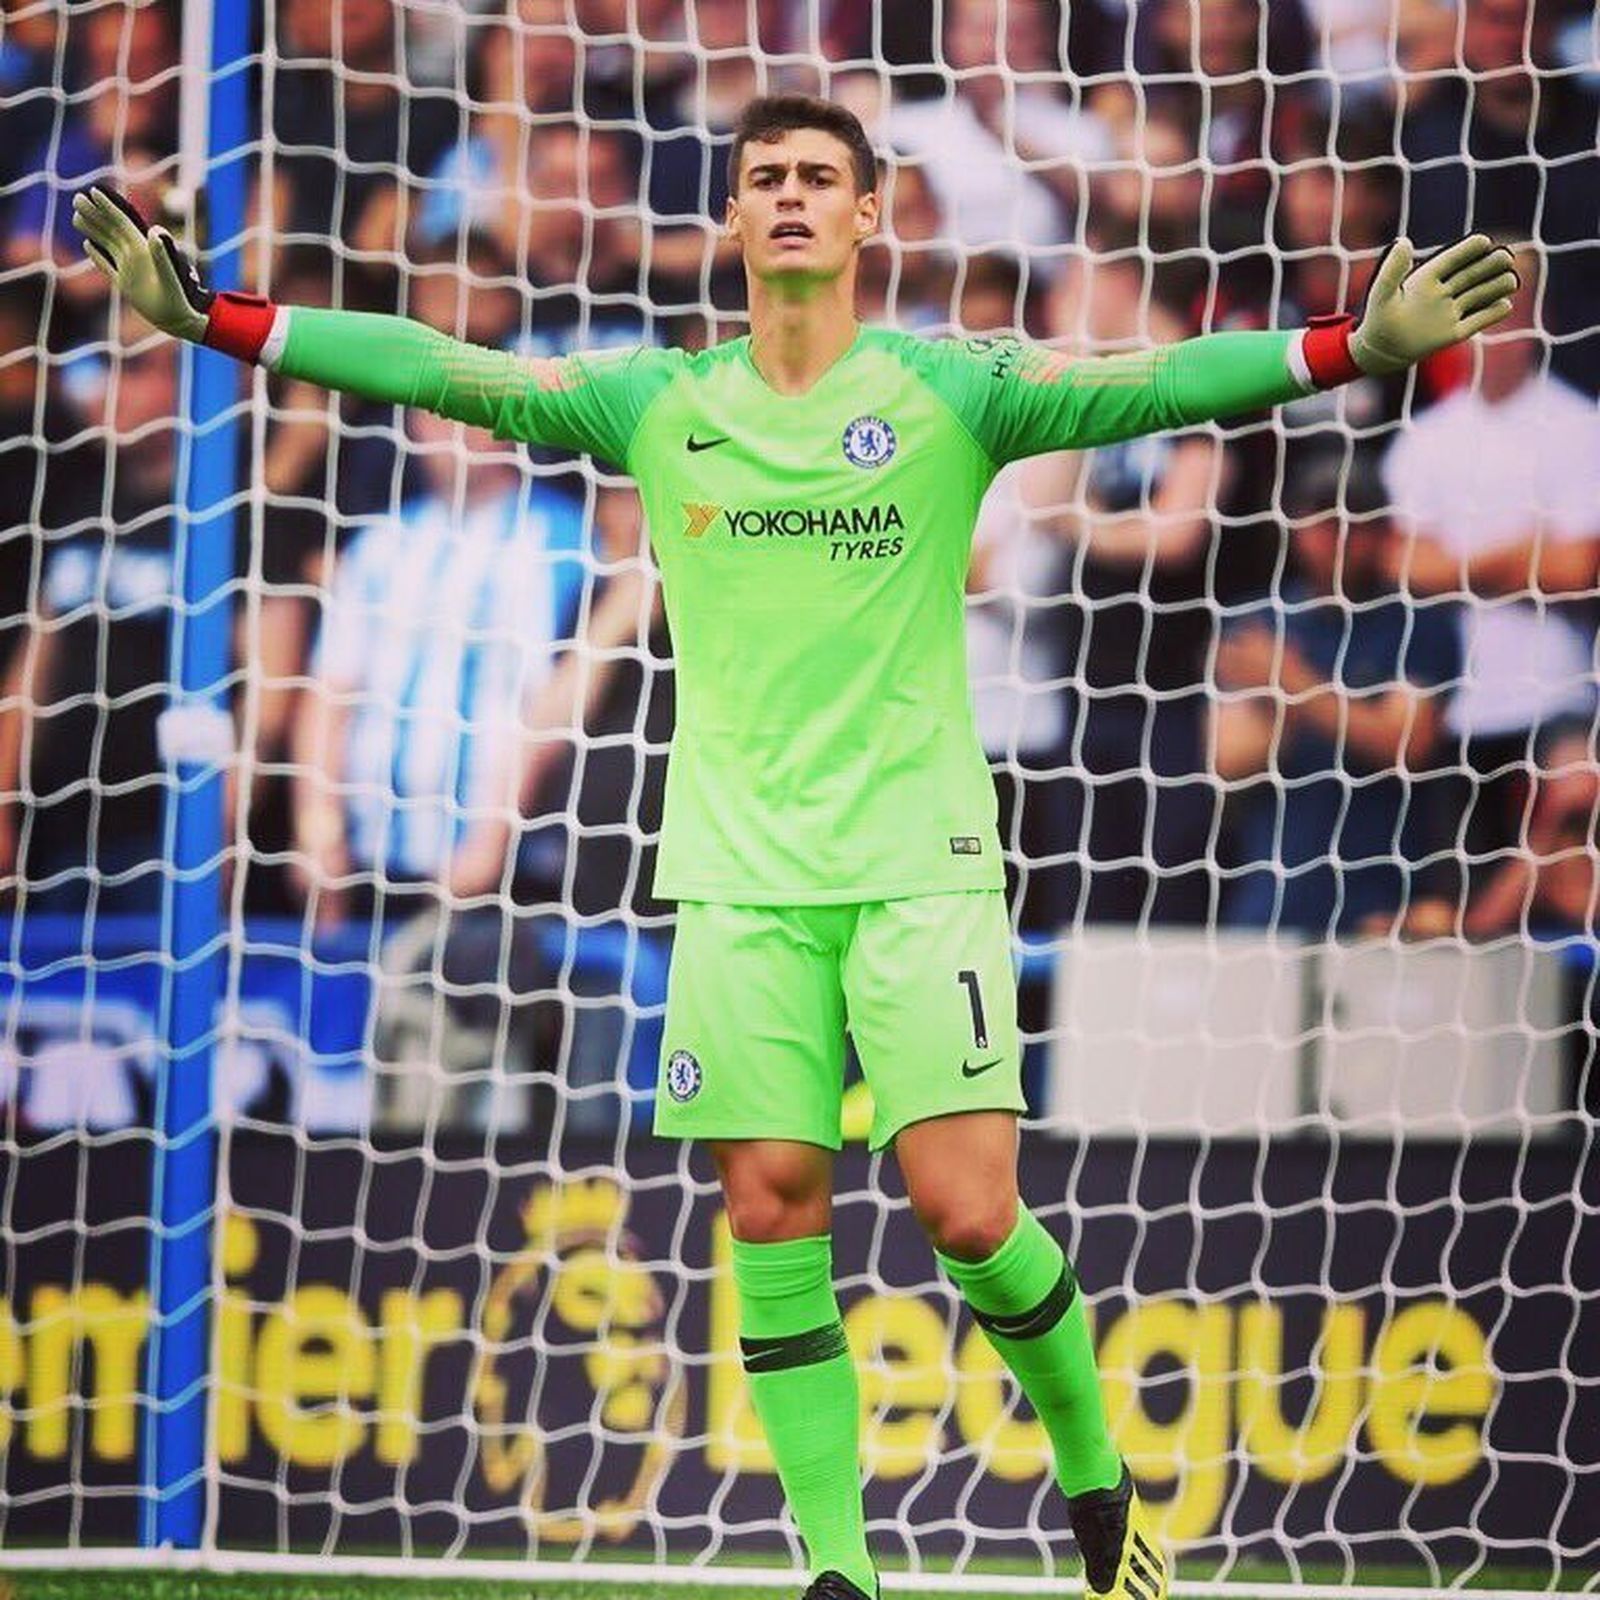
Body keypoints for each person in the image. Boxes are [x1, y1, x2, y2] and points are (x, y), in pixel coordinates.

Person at [72, 96, 1516, 1600]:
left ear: (868, 214)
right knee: (769, 1204)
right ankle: (840, 1571)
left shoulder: (955, 386)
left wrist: (1350, 347)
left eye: (820, 176)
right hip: (738, 879)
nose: (789, 195)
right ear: (732, 213)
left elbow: (1157, 380)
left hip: (921, 866)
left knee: (970, 1215)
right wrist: (219, 319)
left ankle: (1095, 1473)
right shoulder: (657, 399)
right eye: (763, 175)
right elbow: (445, 366)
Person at [1380, 245, 1600, 914]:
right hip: (1455, 707)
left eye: (1507, 314)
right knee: (1459, 902)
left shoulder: (1579, 426)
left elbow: (1575, 569)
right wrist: (1521, 552)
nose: (1492, 334)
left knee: (1564, 893)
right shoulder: (1423, 438)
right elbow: (1402, 565)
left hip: (1556, 700)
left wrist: (1455, 563)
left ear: (1538, 318)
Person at [1209, 450, 1459, 937]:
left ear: (1385, 531)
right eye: (1323, 518)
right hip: (1270, 901)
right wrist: (1327, 706)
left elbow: (1405, 745)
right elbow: (1230, 761)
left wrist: (1288, 682)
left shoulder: (1419, 622)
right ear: (1296, 526)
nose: (1340, 533)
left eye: (1357, 518)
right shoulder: (1256, 619)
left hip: (1385, 905)